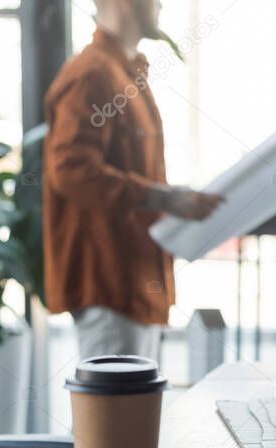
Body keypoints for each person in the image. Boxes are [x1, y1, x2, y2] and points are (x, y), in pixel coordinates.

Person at [44, 0, 223, 361]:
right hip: (110, 286)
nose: (160, 6)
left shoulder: (122, 72)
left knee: (129, 414)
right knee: (112, 416)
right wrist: (165, 199)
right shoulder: (93, 74)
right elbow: (71, 171)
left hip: (133, 285)